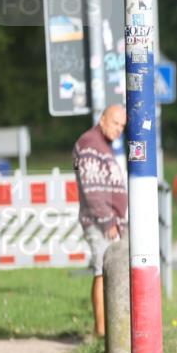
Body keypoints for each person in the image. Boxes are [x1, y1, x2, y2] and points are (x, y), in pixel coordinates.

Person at [72, 104, 128, 338]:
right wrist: (107, 221)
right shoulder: (90, 144)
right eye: (115, 123)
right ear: (103, 119)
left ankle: (111, 329)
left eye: (123, 126)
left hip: (110, 221)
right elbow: (93, 189)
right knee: (101, 271)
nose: (119, 129)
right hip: (100, 222)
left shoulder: (103, 145)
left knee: (109, 272)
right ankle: (101, 332)